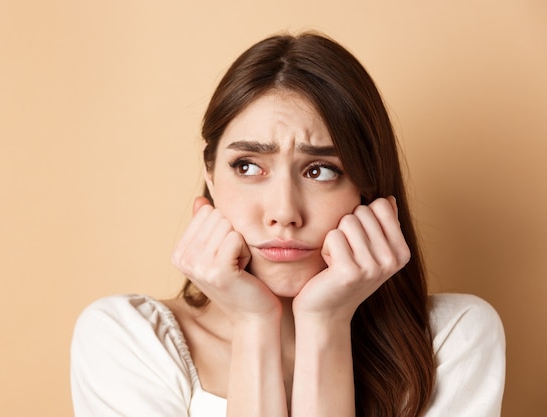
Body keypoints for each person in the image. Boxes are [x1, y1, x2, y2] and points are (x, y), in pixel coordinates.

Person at [70, 32, 505, 417]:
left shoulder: (453, 339)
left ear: (367, 187)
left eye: (320, 170)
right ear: (210, 176)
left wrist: (326, 325)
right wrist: (254, 323)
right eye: (248, 166)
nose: (283, 212)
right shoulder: (127, 341)